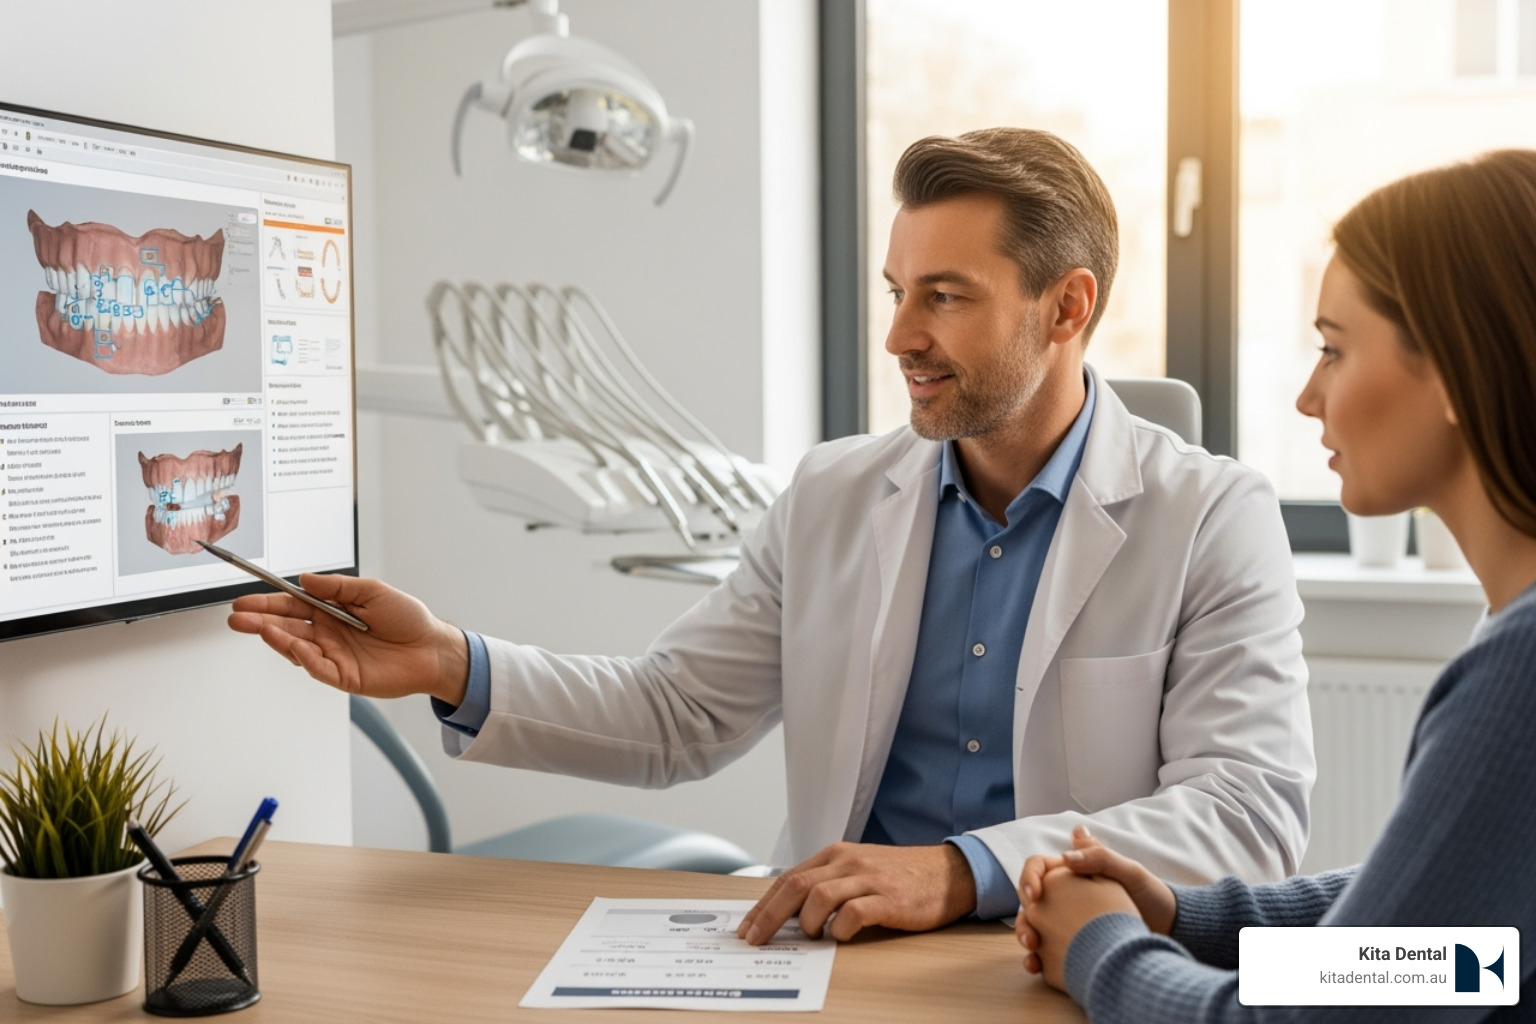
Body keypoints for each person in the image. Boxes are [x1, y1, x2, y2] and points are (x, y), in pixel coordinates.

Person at [228, 127, 1314, 944]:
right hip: (837, 956)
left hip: (1066, 961)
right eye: (896, 292)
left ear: (1068, 308)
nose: (899, 336)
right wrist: (447, 661)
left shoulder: (1213, 515)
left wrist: (958, 869)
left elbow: (1247, 818)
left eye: (944, 297)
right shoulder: (835, 491)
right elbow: (679, 714)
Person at [1017, 149, 1536, 1022]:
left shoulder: (1521, 675)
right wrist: (1188, 917)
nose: (1306, 396)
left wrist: (1104, 948)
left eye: (1334, 349)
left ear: (1454, 367)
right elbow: (1454, 954)